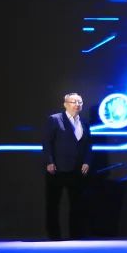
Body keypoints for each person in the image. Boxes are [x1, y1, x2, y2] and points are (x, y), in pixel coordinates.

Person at [42, 92, 93, 240]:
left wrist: (87, 161)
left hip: (77, 169)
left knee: (77, 204)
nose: (77, 105)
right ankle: (54, 236)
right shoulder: (55, 119)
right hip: (57, 169)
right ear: (65, 104)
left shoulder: (84, 123)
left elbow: (88, 145)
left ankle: (76, 234)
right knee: (53, 204)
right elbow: (47, 142)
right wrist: (49, 162)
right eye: (73, 102)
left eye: (80, 102)